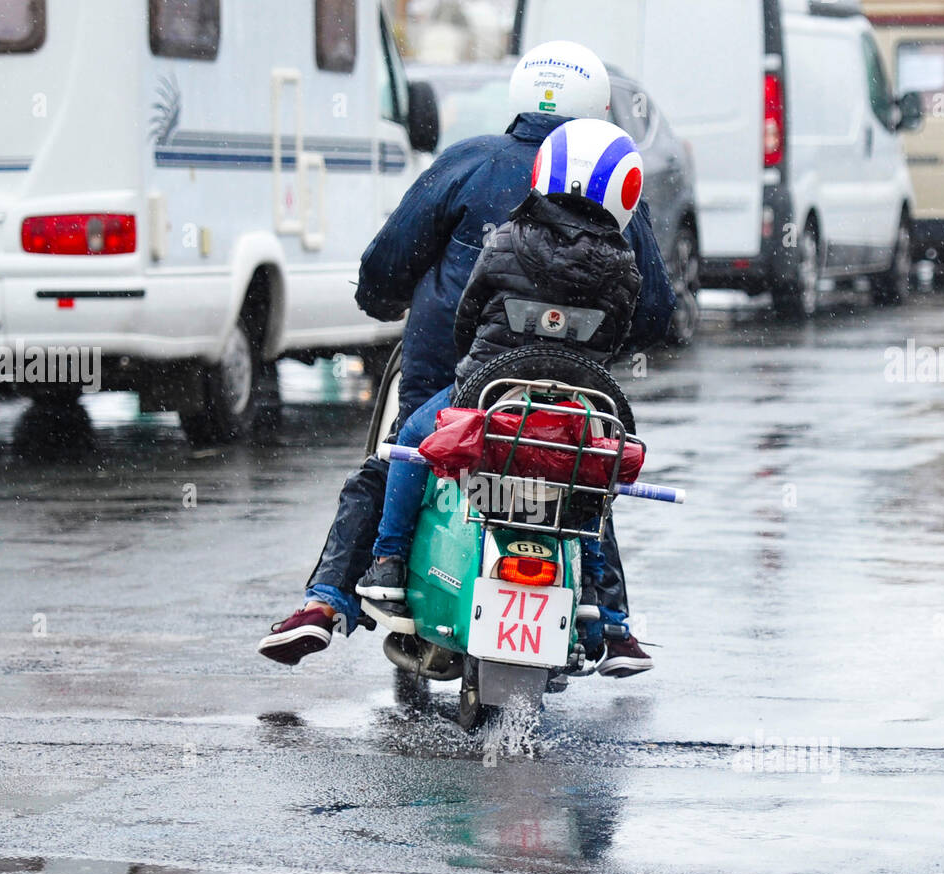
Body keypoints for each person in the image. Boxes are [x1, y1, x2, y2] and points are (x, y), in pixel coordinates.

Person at [259, 42, 675, 669]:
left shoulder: (469, 169)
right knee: (576, 474)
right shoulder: (619, 210)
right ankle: (609, 621)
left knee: (392, 459)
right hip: (573, 397)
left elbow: (397, 268)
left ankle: (337, 595)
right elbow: (653, 319)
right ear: (601, 111)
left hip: (463, 382)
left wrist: (386, 300)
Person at [355, 118, 652, 677]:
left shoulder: (506, 239)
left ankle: (388, 560)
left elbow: (467, 321)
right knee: (585, 487)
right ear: (625, 190)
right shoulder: (624, 267)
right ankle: (602, 607)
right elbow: (617, 340)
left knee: (412, 441)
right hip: (576, 413)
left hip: (489, 397)